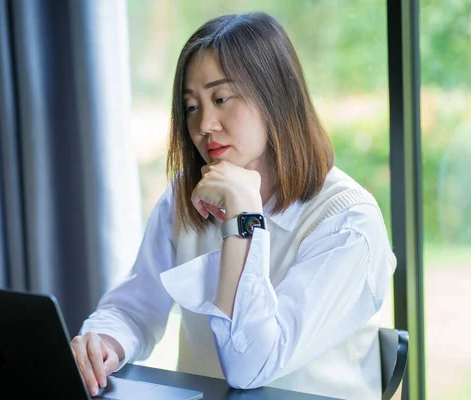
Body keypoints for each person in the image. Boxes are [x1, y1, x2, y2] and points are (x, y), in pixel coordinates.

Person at [71, 11, 396, 400]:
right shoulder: (185, 196)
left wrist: (243, 219)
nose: (204, 124)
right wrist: (102, 342)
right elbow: (135, 306)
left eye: (221, 98)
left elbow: (251, 366)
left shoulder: (348, 223)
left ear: (276, 96)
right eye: (192, 106)